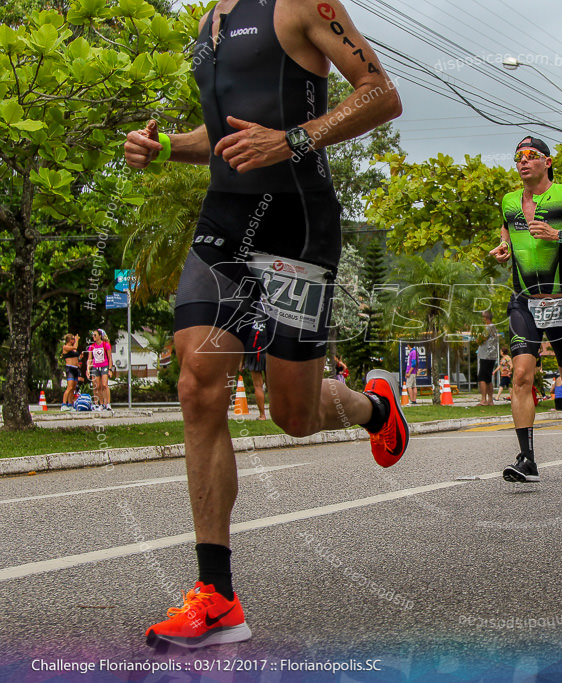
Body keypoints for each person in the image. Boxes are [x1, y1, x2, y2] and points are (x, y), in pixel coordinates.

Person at [123, 0, 405, 650]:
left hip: (296, 224)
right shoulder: (205, 26)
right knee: (197, 380)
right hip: (224, 219)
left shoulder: (303, 6)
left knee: (293, 415)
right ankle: (216, 595)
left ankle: (373, 408)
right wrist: (167, 146)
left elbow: (381, 93)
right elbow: (222, 137)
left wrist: (294, 139)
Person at [488, 136, 562, 482]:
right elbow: (506, 229)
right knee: (521, 374)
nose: (523, 161)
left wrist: (560, 236)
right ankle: (527, 459)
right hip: (523, 300)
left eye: (531, 156)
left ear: (547, 162)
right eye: (518, 156)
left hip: (561, 300)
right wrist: (503, 245)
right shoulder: (509, 201)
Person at [240, 320, 268, 420]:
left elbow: (243, 343)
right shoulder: (270, 316)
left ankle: (262, 415)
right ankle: (276, 414)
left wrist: (241, 362)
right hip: (268, 352)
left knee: (258, 386)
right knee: (272, 386)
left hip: (254, 353)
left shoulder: (247, 319)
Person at [475, 310, 500, 406]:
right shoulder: (493, 327)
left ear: (486, 318)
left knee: (482, 377)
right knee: (488, 378)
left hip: (486, 355)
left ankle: (483, 399)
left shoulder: (487, 328)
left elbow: (480, 340)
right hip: (491, 355)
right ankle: (490, 400)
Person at [86, 329, 114, 412]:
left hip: (104, 365)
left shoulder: (106, 345)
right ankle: (100, 404)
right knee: (97, 386)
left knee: (104, 385)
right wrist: (88, 369)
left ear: (100, 336)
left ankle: (107, 403)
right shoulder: (92, 347)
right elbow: (90, 359)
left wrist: (110, 369)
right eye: (93, 335)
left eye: (95, 335)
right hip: (95, 366)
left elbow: (109, 358)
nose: (93, 337)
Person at [60, 333, 81, 411]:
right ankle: (63, 404)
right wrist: (77, 340)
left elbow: (75, 353)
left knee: (74, 388)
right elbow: (75, 347)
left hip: (75, 368)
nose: (74, 340)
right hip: (70, 368)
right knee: (69, 387)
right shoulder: (66, 347)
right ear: (69, 340)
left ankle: (70, 404)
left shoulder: (73, 349)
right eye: (72, 339)